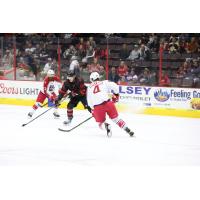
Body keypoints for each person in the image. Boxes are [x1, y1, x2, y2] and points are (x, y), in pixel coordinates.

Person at [87, 72, 134, 137]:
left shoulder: (89, 87)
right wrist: (116, 94)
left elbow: (89, 101)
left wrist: (93, 110)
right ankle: (127, 129)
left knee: (101, 123)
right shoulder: (105, 82)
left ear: (91, 79)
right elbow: (115, 86)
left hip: (98, 107)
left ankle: (107, 125)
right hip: (108, 103)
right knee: (116, 119)